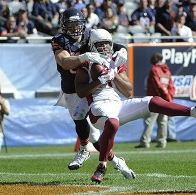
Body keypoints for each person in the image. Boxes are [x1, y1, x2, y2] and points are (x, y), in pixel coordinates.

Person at [74, 28, 196, 183]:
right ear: (92, 45)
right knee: (112, 122)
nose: (104, 48)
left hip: (117, 104)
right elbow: (81, 92)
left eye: (107, 44)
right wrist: (99, 81)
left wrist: (114, 73)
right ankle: (101, 166)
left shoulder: (114, 61)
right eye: (100, 44)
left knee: (153, 101)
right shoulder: (85, 63)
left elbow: (129, 92)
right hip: (98, 107)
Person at [51, 8, 135, 179]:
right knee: (88, 128)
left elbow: (112, 43)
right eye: (71, 25)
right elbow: (65, 62)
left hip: (95, 86)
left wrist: (123, 50)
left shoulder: (91, 34)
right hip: (73, 88)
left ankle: (85, 150)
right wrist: (85, 56)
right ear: (64, 26)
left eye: (77, 24)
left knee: (88, 122)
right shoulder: (59, 40)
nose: (75, 28)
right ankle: (115, 161)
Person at [135, 52, 175, 149]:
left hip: (154, 99)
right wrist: (168, 98)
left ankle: (145, 142)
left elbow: (158, 85)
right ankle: (162, 142)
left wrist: (163, 95)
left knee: (149, 121)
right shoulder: (167, 71)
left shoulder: (154, 70)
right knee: (163, 122)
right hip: (165, 100)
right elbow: (171, 87)